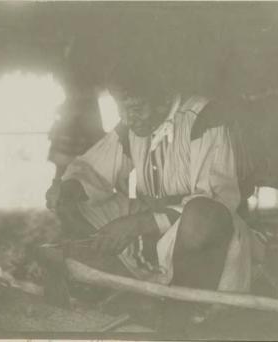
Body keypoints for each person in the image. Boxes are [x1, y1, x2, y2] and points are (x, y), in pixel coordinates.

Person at [46, 58, 254, 328]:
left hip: (203, 241)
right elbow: (92, 168)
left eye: (134, 108)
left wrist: (137, 224)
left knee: (201, 214)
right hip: (151, 233)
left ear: (163, 98)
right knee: (77, 201)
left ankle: (180, 310)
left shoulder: (204, 118)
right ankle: (138, 290)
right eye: (120, 107)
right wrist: (68, 190)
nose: (127, 118)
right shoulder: (133, 125)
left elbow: (217, 202)